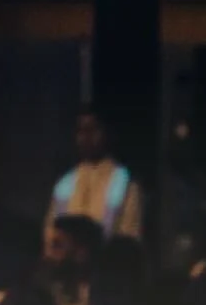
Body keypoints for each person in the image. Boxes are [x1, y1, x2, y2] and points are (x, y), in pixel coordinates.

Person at [45, 103, 143, 253]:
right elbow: (50, 233)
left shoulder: (124, 182)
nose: (86, 137)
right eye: (81, 131)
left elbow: (130, 240)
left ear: (107, 133)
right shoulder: (65, 183)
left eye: (93, 129)